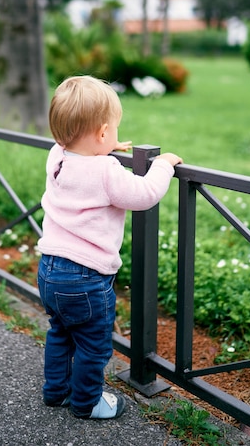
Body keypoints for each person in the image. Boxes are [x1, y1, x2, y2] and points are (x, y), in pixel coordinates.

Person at [37, 75, 182, 420]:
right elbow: (144, 194)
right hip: (86, 278)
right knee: (93, 345)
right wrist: (163, 165)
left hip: (50, 271)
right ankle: (87, 403)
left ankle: (55, 392)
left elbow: (76, 147)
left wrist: (102, 147)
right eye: (113, 131)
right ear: (102, 133)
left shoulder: (57, 156)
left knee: (60, 332)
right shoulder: (106, 170)